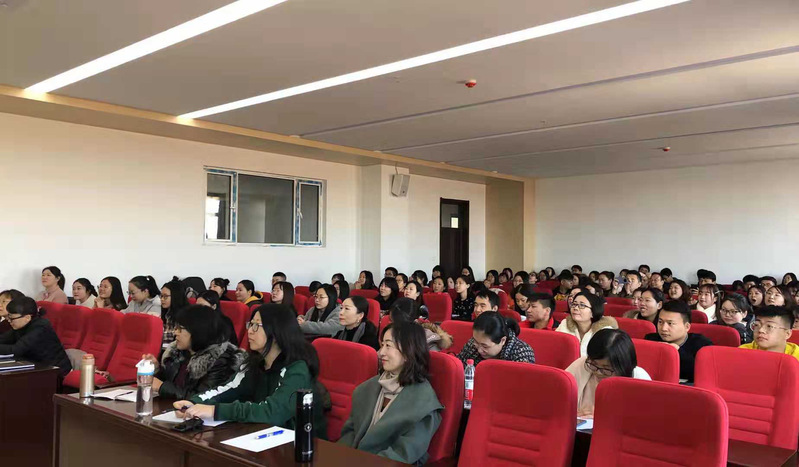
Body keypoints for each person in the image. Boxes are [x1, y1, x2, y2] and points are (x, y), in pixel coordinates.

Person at [176, 304, 328, 436]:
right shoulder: (254, 363)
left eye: (257, 325)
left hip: (299, 443)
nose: (249, 331)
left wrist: (215, 411)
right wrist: (193, 403)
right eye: (251, 324)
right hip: (264, 435)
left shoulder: (297, 369)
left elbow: (272, 412)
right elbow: (226, 389)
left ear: (277, 332)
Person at [339, 321, 443, 464]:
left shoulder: (423, 402)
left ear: (408, 351)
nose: (381, 352)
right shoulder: (368, 388)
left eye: (388, 346)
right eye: (382, 345)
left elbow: (404, 452)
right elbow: (349, 434)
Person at [140, 305, 247, 400]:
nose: (175, 333)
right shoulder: (180, 352)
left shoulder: (221, 360)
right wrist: (157, 369)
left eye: (180, 329)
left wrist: (161, 387)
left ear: (198, 331)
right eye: (175, 328)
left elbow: (202, 397)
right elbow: (170, 383)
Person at [565, 329, 651, 418]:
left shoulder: (640, 378)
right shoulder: (582, 365)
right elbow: (560, 400)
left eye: (606, 369)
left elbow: (646, 418)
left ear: (623, 367)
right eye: (594, 365)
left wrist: (602, 417)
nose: (598, 372)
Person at [0, 297, 71, 377]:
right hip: (34, 365)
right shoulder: (21, 326)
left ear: (27, 317)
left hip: (54, 370)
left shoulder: (40, 327)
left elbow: (16, 349)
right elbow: (3, 338)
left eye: (12, 318)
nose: (9, 321)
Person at [644, 301, 713, 382]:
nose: (663, 328)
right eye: (660, 322)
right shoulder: (650, 340)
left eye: (670, 323)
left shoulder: (702, 345)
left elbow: (704, 374)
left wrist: (678, 352)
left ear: (687, 327)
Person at [457, 312, 535, 366]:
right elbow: (459, 368)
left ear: (502, 340)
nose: (479, 350)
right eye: (476, 343)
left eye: (485, 346)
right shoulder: (473, 343)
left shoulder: (521, 354)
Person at [556, 292, 618, 356]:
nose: (575, 308)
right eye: (574, 304)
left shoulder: (605, 331)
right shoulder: (565, 324)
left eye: (582, 305)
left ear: (593, 312)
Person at [161, 277, 189, 344]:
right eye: (161, 296)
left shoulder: (184, 315)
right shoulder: (168, 312)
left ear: (175, 296)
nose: (162, 299)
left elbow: (173, 337)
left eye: (165, 296)